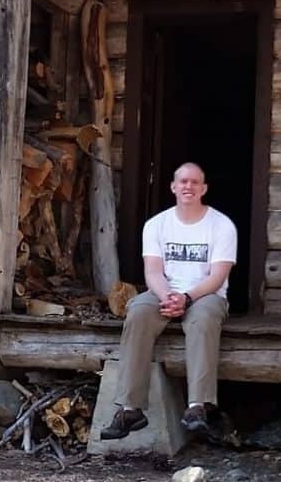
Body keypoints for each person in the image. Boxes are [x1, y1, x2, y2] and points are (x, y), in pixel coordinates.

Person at [100, 161, 237, 439]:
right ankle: (130, 409)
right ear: (173, 187)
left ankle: (198, 406)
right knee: (137, 311)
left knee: (203, 319)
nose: (188, 186)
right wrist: (167, 296)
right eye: (183, 181)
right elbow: (152, 271)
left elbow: (218, 275)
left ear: (204, 188)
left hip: (206, 294)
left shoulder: (221, 225)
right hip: (166, 291)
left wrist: (187, 298)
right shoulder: (156, 225)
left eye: (195, 182)